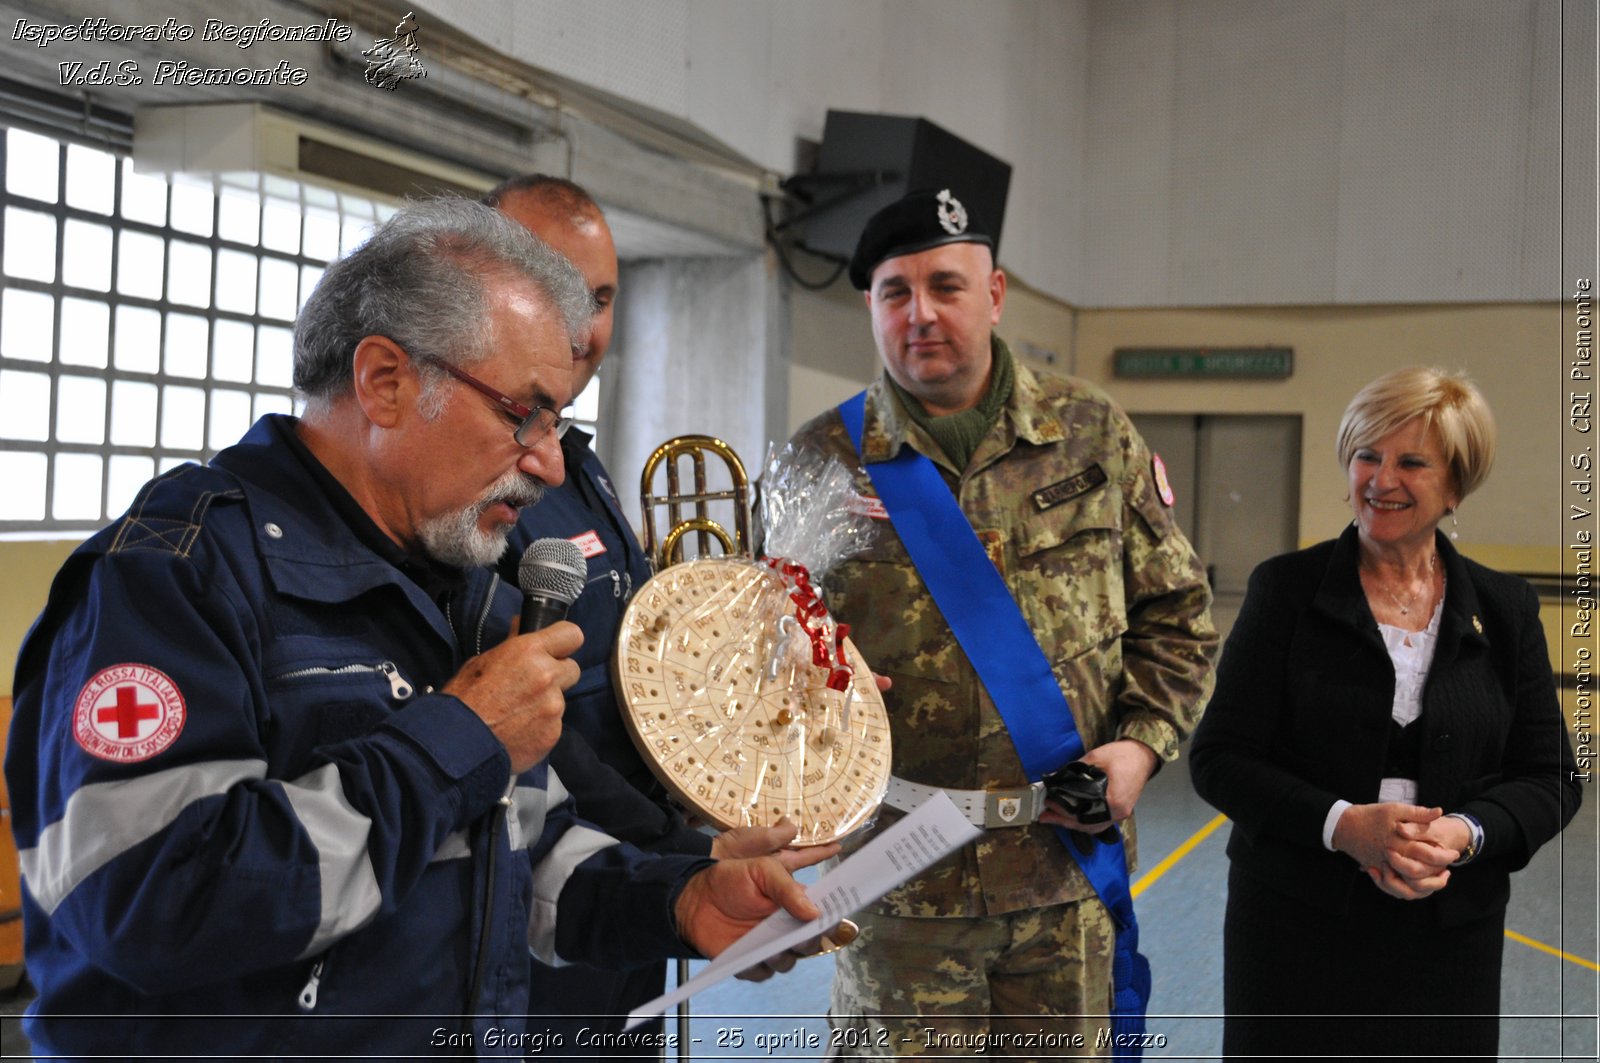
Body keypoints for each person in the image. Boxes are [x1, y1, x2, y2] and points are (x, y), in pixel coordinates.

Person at [4, 197, 834, 1059]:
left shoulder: (456, 583)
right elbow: (148, 902)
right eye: (526, 415)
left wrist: (676, 898)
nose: (550, 463)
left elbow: (517, 847)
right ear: (386, 382)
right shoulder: (172, 577)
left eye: (556, 424)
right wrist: (459, 737)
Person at [783, 188, 1218, 1053]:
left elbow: (1178, 613)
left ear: (996, 293)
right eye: (893, 292)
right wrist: (801, 673)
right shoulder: (818, 461)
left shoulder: (1093, 433)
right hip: (900, 889)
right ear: (869, 306)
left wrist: (1139, 748)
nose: (920, 314)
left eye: (946, 285)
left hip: (1066, 875)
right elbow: (772, 650)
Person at [483, 175, 800, 1049]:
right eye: (554, 290)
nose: (584, 326)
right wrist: (678, 847)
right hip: (545, 887)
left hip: (634, 873)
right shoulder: (474, 490)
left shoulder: (578, 469)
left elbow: (639, 662)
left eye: (603, 296)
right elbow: (538, 726)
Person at [1188, 366, 1582, 1060]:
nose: (1381, 478)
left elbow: (1551, 776)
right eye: (1367, 454)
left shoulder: (1506, 608)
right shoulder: (1285, 589)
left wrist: (1464, 833)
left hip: (1449, 942)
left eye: (1411, 461)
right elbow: (1220, 756)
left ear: (1455, 485)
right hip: (1292, 931)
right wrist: (1344, 826)